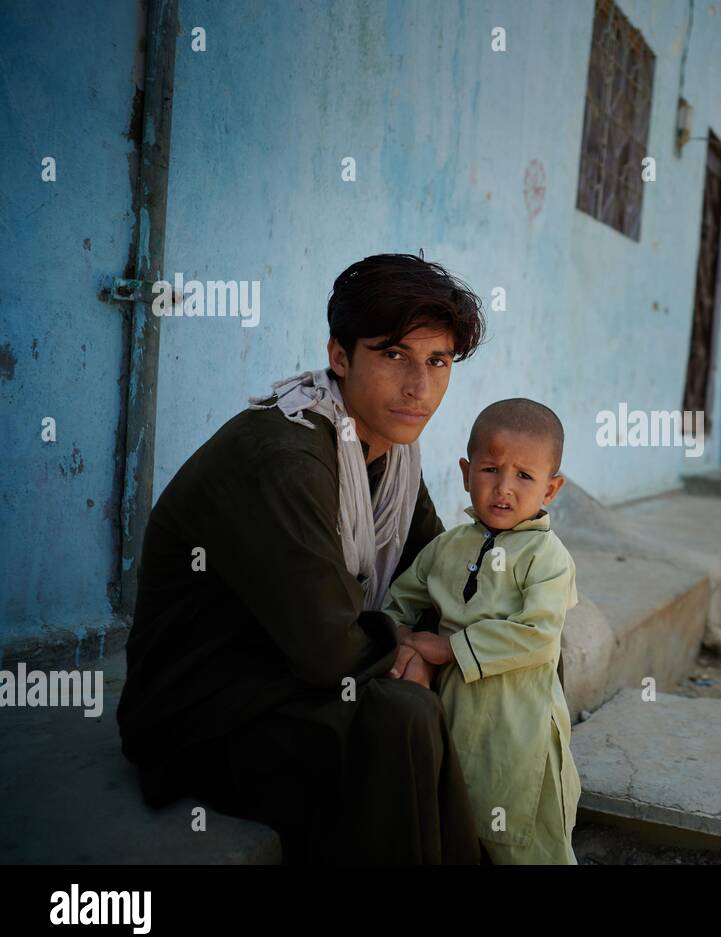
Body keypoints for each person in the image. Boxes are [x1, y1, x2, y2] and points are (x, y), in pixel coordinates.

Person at [117, 253, 487, 864]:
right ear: (339, 357)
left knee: (500, 667)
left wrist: (439, 644)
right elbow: (330, 648)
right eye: (393, 355)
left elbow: (440, 579)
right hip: (208, 709)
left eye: (437, 362)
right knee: (400, 715)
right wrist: (409, 650)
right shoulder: (286, 455)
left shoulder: (390, 452)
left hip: (287, 681)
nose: (419, 387)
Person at [383, 398, 582, 865]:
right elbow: (399, 603)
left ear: (551, 489)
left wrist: (448, 648)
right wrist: (403, 647)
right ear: (466, 472)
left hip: (520, 725)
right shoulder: (447, 546)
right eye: (491, 470)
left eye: (525, 477)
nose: (504, 489)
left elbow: (537, 635)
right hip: (456, 712)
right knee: (460, 820)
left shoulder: (547, 558)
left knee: (524, 839)